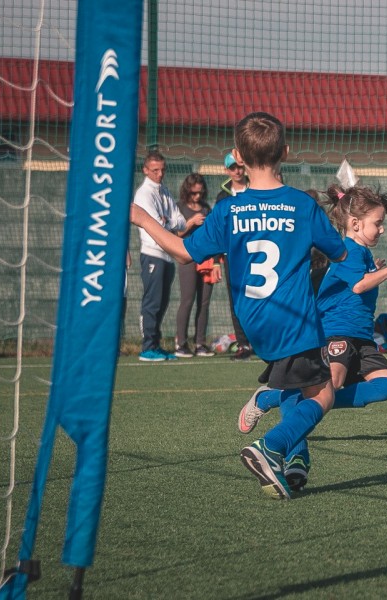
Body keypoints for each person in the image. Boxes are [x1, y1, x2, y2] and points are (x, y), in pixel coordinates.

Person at [129, 112, 347, 500]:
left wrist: (144, 219)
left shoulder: (228, 210)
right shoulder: (301, 204)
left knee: (295, 386)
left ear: (238, 158)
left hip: (253, 323)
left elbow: (182, 252)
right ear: (286, 152)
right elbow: (339, 252)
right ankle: (270, 448)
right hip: (293, 319)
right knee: (323, 394)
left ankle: (295, 459)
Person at [238, 184, 387, 491]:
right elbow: (358, 286)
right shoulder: (349, 250)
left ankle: (278, 397)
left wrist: (376, 269)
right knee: (333, 384)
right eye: (378, 223)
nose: (382, 229)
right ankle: (276, 410)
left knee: (386, 386)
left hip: (362, 337)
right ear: (355, 224)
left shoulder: (361, 253)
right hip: (335, 332)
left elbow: (357, 282)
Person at [133, 150, 204, 362]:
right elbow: (155, 224)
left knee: (162, 303)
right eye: (155, 170)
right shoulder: (144, 194)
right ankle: (147, 347)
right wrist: (166, 222)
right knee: (152, 302)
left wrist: (167, 222)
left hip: (167, 254)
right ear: (146, 170)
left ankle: (155, 344)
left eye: (162, 169)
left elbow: (178, 221)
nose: (160, 174)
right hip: (152, 253)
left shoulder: (163, 190)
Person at [216, 152, 255, 361]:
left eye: (239, 167)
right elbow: (218, 229)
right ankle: (243, 344)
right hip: (232, 255)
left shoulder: (256, 188)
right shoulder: (222, 197)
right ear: (226, 170)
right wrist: (216, 261)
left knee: (258, 296)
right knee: (236, 300)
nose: (237, 171)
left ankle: (260, 340)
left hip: (256, 251)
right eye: (232, 168)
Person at [173, 173, 216, 358]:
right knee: (187, 300)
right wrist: (191, 222)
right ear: (187, 191)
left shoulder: (206, 208)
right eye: (193, 193)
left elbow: (214, 234)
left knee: (204, 302)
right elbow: (175, 235)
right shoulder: (179, 207)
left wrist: (215, 262)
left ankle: (200, 343)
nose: (197, 196)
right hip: (187, 258)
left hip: (205, 260)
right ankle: (181, 343)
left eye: (200, 193)